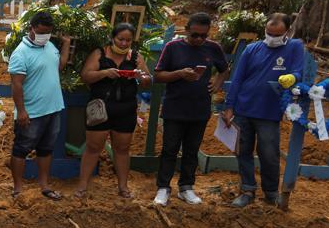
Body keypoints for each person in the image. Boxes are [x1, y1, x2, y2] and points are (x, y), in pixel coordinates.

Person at [224, 13, 306, 207]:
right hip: (244, 109)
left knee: (269, 153)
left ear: (287, 32)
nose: (272, 37)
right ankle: (247, 189)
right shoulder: (252, 49)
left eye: (277, 34)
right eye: (269, 33)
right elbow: (237, 79)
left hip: (269, 112)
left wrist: (292, 78)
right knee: (242, 151)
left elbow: (299, 71)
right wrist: (229, 106)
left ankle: (270, 192)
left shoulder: (294, 47)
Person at [152, 12, 228, 206]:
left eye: (204, 35)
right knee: (169, 149)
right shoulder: (172, 47)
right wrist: (178, 74)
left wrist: (217, 83)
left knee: (192, 150)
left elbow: (224, 69)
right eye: (195, 35)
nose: (199, 39)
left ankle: (186, 187)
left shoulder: (213, 48)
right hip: (175, 107)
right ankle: (163, 187)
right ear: (186, 30)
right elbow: (158, 75)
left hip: (199, 108)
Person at [76, 23, 152, 199]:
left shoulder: (135, 57)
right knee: (93, 147)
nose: (124, 43)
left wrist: (142, 77)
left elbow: (148, 80)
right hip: (100, 108)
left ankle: (123, 187)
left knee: (123, 148)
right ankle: (82, 186)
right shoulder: (99, 54)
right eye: (121, 39)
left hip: (125, 109)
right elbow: (86, 75)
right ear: (112, 38)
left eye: (128, 40)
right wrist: (104, 73)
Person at [7, 10, 72, 201]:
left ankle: (44, 185)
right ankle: (18, 188)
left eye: (48, 32)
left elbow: (58, 66)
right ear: (32, 28)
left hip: (53, 108)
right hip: (32, 112)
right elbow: (16, 84)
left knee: (46, 149)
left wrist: (66, 44)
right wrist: (22, 111)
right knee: (21, 149)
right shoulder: (21, 53)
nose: (45, 35)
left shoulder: (50, 45)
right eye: (42, 32)